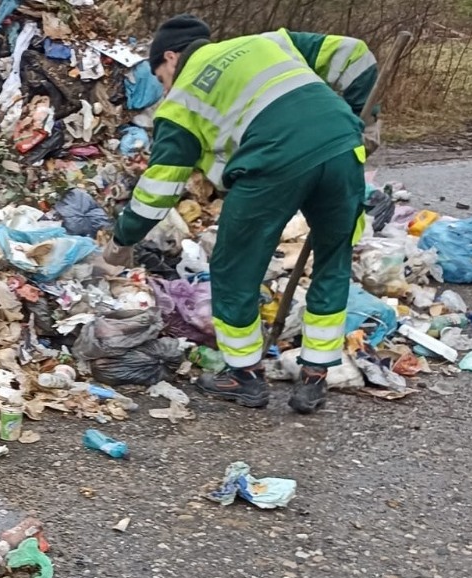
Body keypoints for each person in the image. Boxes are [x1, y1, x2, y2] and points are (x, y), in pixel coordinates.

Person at [105, 15, 379, 414]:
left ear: (170, 56)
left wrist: (122, 240)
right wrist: (362, 119)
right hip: (341, 147)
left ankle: (244, 376)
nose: (164, 87)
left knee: (234, 268)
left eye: (161, 77)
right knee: (333, 261)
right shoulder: (270, 41)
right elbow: (355, 54)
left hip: (272, 164)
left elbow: (158, 191)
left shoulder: (181, 101)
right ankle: (315, 378)